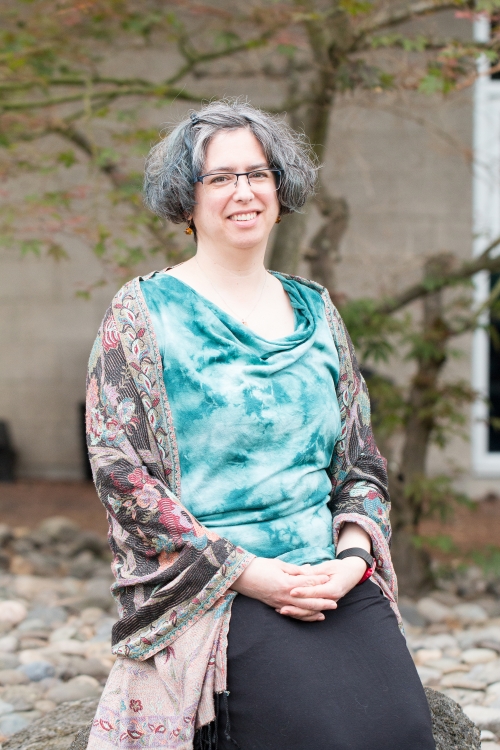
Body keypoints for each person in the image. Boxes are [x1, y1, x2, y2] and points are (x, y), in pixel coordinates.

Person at [86, 98, 435, 750]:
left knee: (405, 731)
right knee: (320, 735)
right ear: (186, 201)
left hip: (327, 572)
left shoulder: (317, 309)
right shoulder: (143, 313)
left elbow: (359, 461)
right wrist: (246, 572)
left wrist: (353, 559)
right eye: (220, 177)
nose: (243, 192)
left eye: (258, 174)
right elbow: (120, 473)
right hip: (216, 585)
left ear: (280, 188)